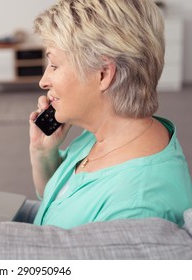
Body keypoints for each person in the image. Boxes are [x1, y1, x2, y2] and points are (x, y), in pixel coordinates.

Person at [26, 0, 192, 229]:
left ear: (103, 74)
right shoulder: (103, 134)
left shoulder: (135, 209)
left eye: (54, 65)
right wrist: (43, 152)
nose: (43, 81)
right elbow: (56, 202)